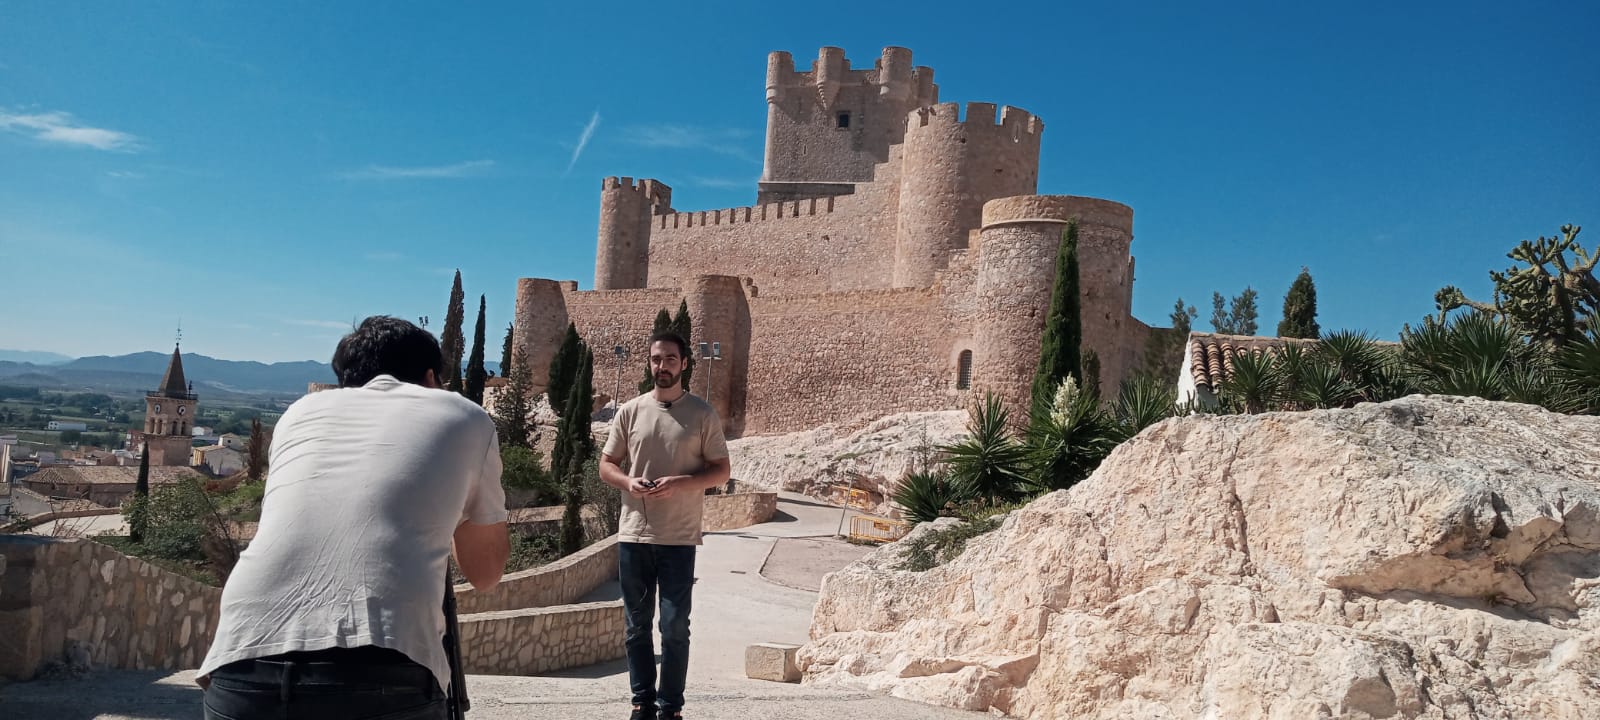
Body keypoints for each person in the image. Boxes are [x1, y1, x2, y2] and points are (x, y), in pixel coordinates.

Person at [196, 316, 510, 720]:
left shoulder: (298, 413)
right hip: (384, 663)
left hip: (244, 653)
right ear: (431, 377)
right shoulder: (464, 415)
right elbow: (485, 573)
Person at [599, 330, 732, 720]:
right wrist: (627, 482)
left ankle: (670, 707)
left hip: (678, 537)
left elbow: (721, 471)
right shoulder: (631, 411)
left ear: (685, 363)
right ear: (649, 362)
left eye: (670, 359)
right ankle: (641, 702)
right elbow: (606, 465)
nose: (663, 366)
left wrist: (681, 484)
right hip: (634, 534)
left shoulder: (702, 415)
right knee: (636, 626)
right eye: (657, 359)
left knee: (674, 627)